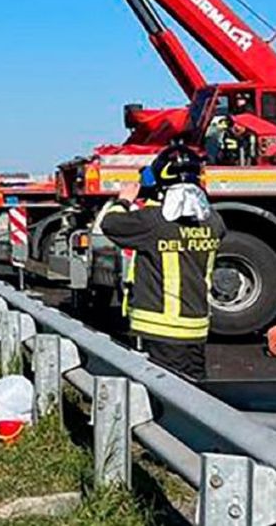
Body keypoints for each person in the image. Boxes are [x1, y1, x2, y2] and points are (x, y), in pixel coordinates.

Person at [96, 143, 225, 380]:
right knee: (194, 396)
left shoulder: (152, 222)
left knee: (166, 398)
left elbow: (110, 224)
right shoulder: (213, 222)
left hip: (160, 330)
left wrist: (124, 200)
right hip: (196, 327)